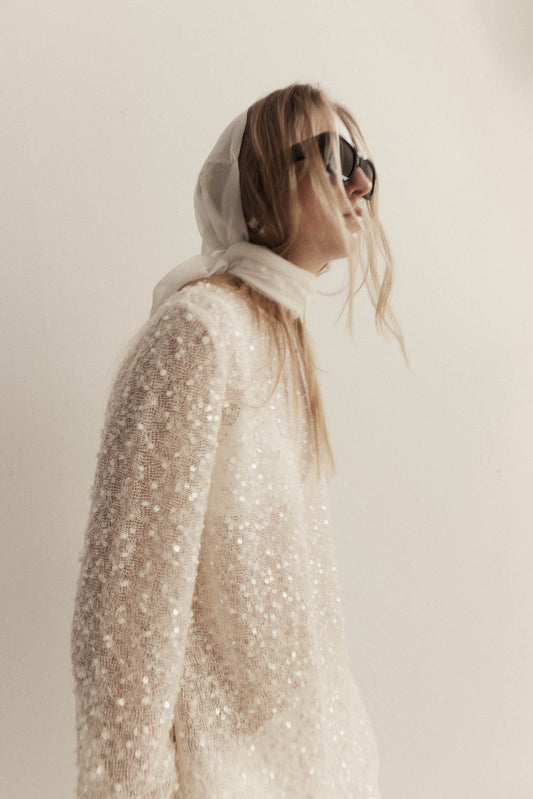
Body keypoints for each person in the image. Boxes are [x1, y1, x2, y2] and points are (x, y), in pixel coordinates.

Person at [70, 82, 404, 799]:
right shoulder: (198, 333)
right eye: (335, 157)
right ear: (261, 186)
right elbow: (125, 610)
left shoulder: (277, 339)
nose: (360, 184)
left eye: (365, 166)